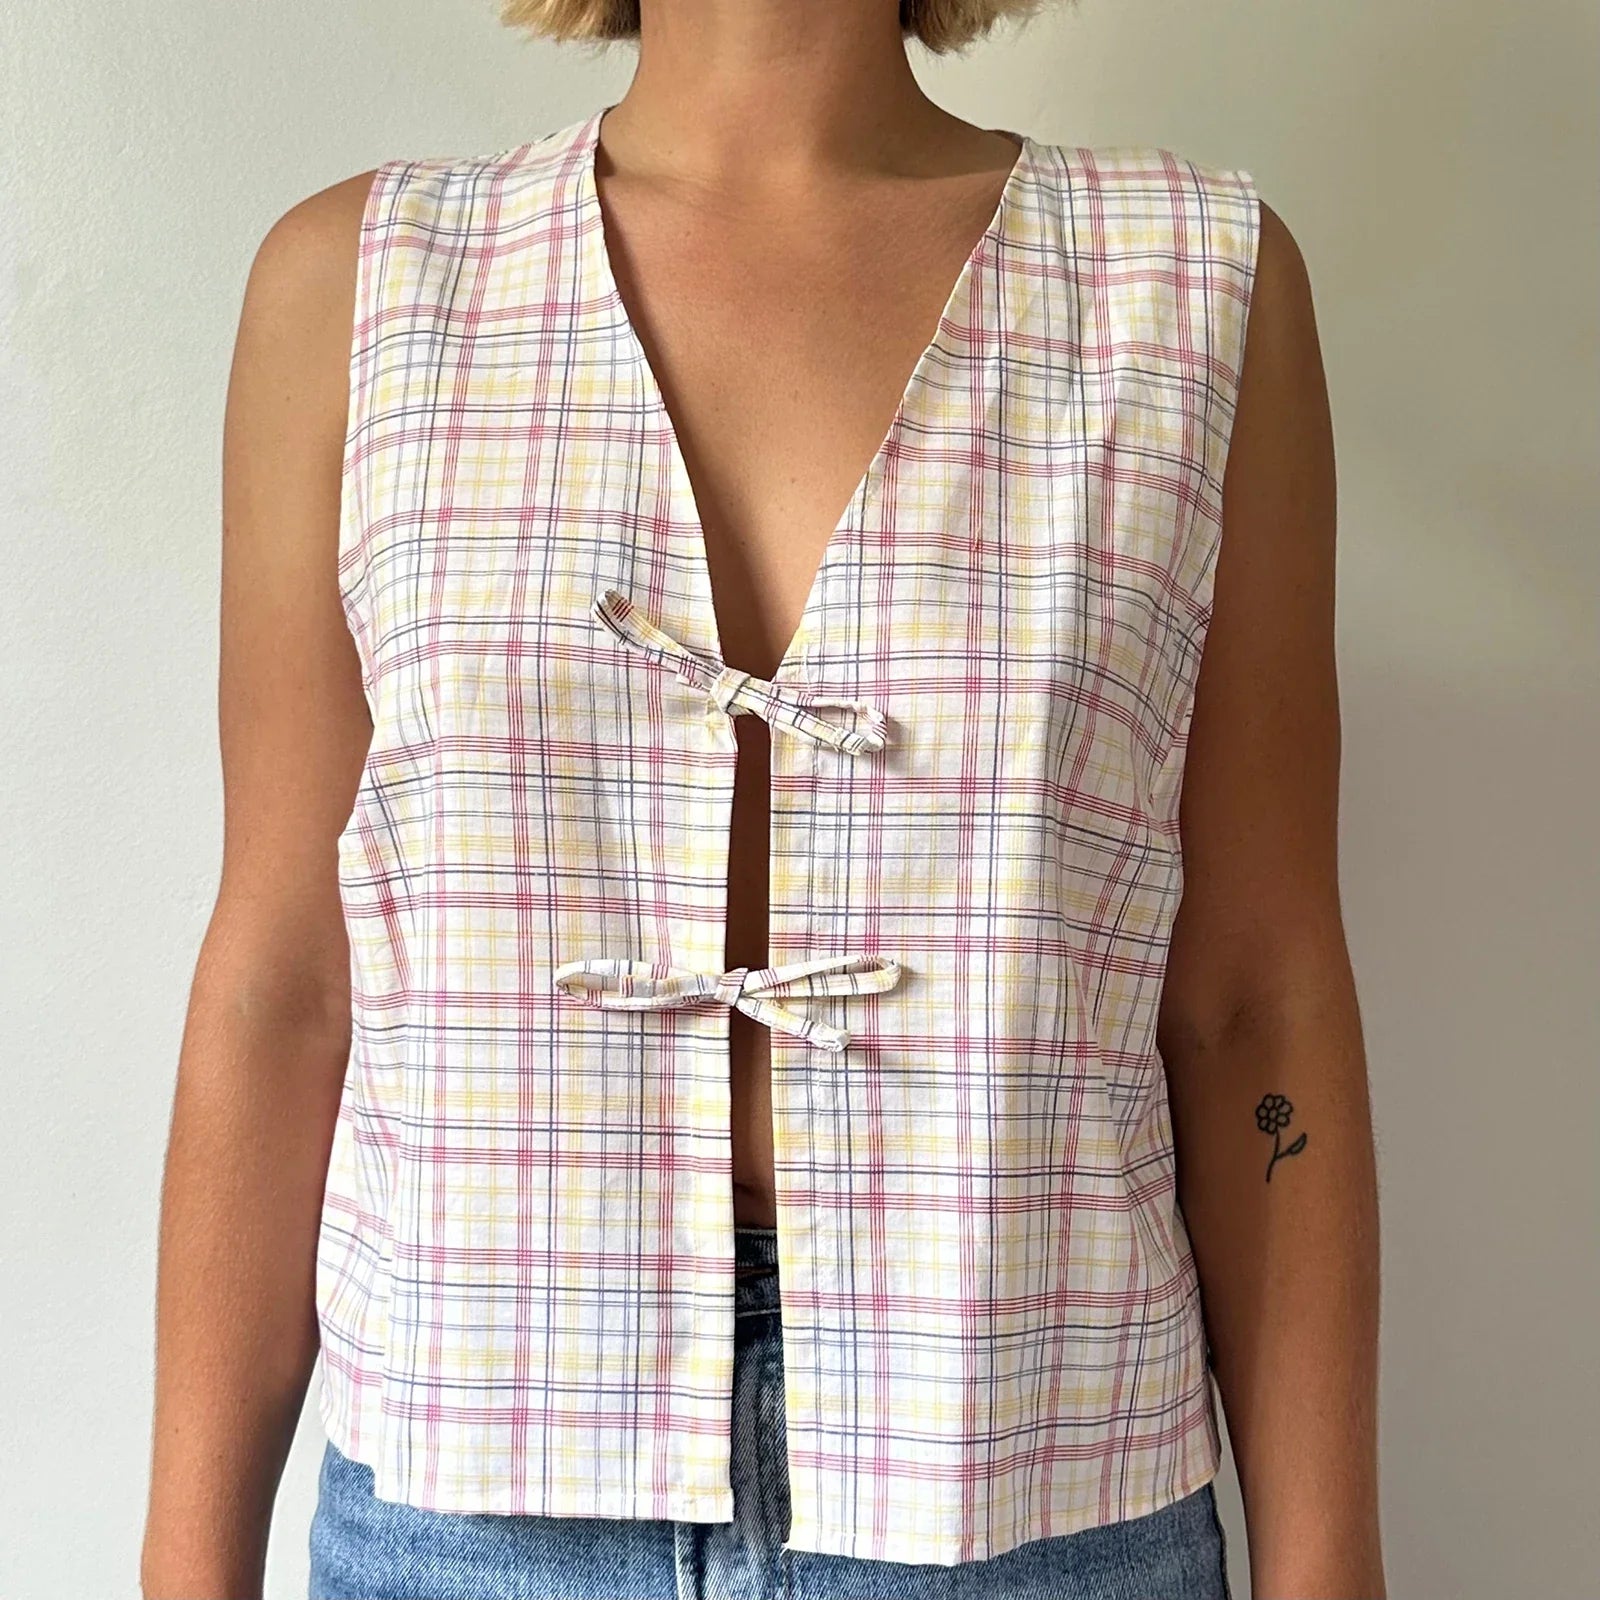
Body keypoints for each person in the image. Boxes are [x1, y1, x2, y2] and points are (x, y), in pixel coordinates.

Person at [140, 2, 1384, 1597]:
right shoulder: (367, 287)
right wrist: (185, 1566)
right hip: (466, 1507)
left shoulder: (1192, 286)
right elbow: (284, 979)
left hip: (1030, 1486)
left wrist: (1330, 1565)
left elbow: (1256, 1001)